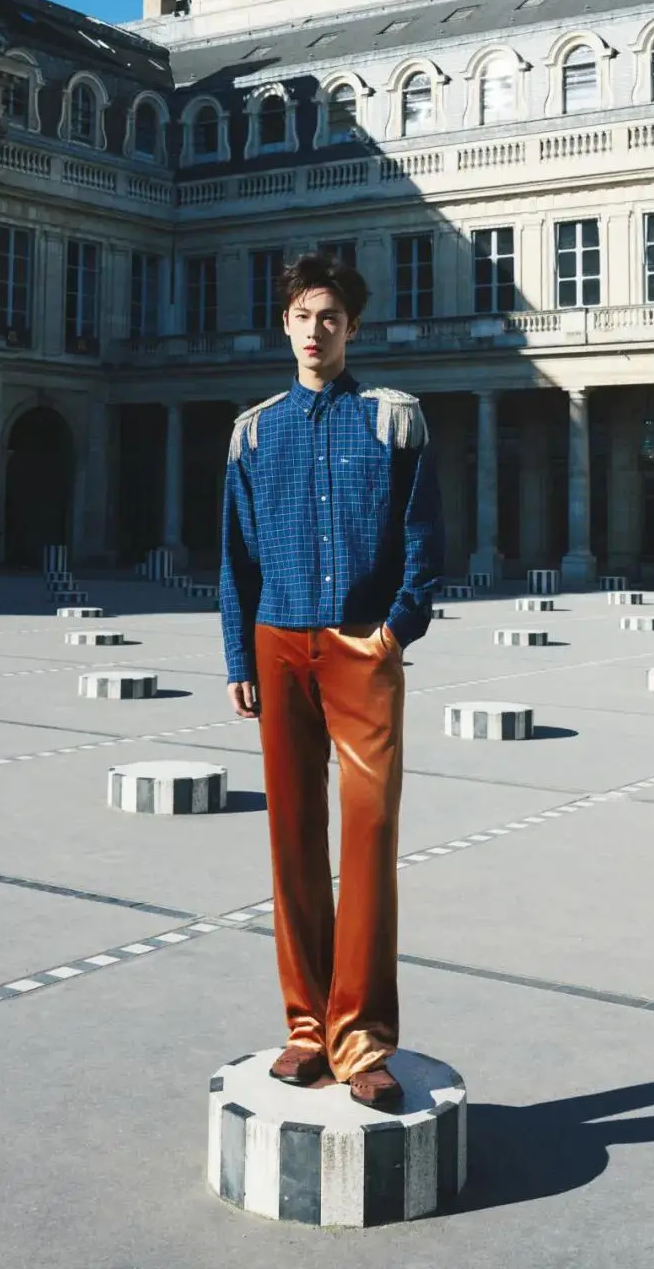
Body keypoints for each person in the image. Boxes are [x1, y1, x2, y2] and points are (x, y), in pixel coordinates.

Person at [219, 252, 445, 1111]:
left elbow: (424, 537)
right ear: (285, 325)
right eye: (303, 316)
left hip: (360, 647)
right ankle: (308, 1028)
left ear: (352, 328)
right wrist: (239, 659)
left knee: (370, 836)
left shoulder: (393, 420)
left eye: (331, 318)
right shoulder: (253, 432)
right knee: (292, 840)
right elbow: (236, 558)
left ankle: (364, 1038)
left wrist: (395, 630)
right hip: (278, 643)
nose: (315, 331)